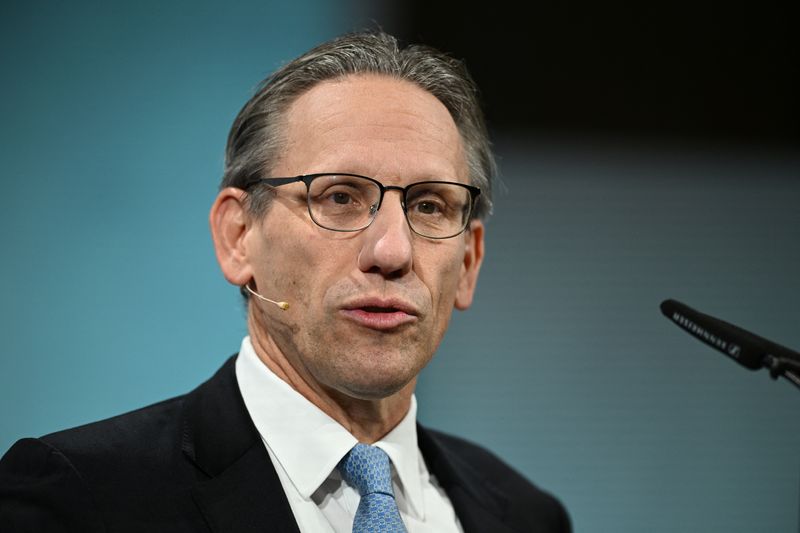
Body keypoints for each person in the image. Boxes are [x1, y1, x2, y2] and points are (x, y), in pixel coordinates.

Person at [0, 31, 570, 532]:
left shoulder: (525, 515)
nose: (392, 251)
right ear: (238, 236)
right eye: (340, 197)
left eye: (429, 206)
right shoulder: (82, 496)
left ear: (468, 263)